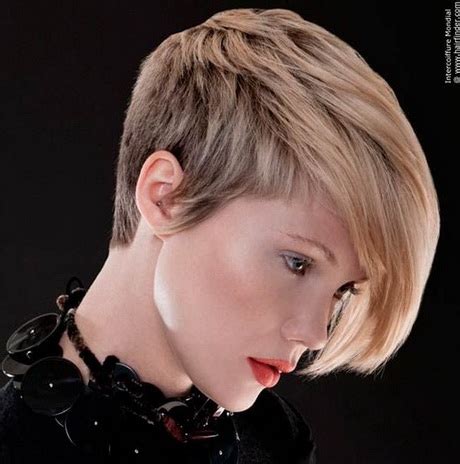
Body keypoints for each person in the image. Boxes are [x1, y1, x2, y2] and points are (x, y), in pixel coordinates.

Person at [0, 7, 440, 463]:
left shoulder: (276, 441)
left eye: (342, 291)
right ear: (166, 197)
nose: (316, 335)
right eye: (298, 263)